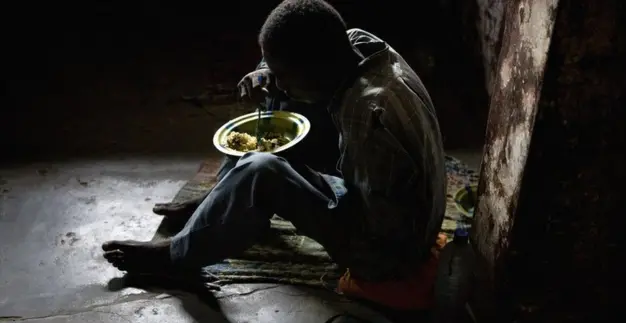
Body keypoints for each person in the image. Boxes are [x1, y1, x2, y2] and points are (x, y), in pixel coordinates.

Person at [102, 0, 446, 287]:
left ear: (315, 67)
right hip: (379, 198)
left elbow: (379, 225)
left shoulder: (368, 114)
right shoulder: (357, 45)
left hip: (387, 252)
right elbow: (297, 69)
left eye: (282, 72)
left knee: (262, 169)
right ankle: (222, 198)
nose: (277, 83)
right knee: (282, 107)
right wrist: (266, 74)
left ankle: (176, 255)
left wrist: (287, 185)